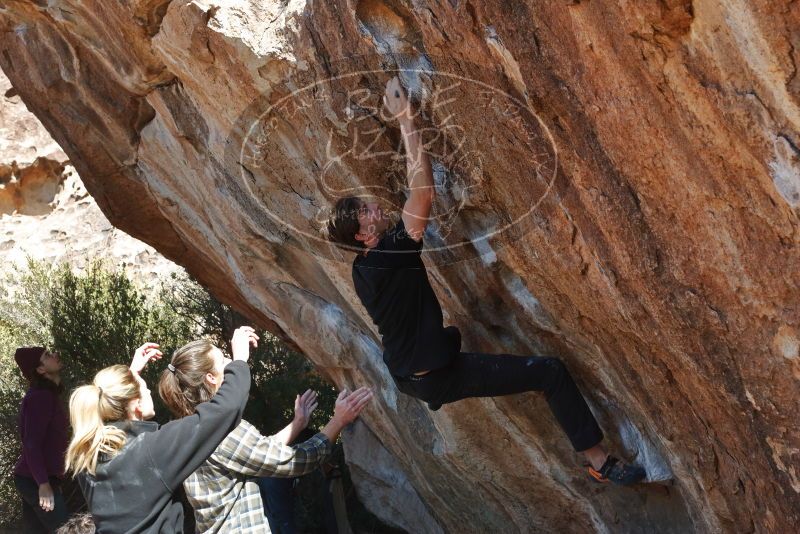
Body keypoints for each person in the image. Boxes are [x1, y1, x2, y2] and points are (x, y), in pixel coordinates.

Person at [325, 76, 646, 485]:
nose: (372, 206)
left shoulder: (365, 266)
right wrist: (405, 118)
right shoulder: (386, 259)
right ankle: (599, 463)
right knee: (549, 372)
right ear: (362, 235)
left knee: (536, 371)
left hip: (419, 375)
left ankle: (598, 461)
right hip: (436, 374)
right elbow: (422, 195)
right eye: (364, 211)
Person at [158, 338, 373, 533]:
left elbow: (255, 452)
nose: (229, 362)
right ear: (211, 378)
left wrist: (297, 424)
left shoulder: (187, 428)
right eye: (223, 360)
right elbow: (294, 462)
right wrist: (338, 421)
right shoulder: (222, 431)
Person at [64, 326, 258, 532]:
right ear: (136, 404)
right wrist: (239, 361)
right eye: (143, 387)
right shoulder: (151, 451)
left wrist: (131, 374)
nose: (148, 390)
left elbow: (110, 402)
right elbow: (224, 410)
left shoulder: (88, 457)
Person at [13, 346, 69, 532]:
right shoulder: (40, 397)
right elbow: (31, 444)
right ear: (40, 369)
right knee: (66, 530)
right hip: (34, 480)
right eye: (47, 355)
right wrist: (43, 484)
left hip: (34, 478)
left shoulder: (47, 395)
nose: (55, 355)